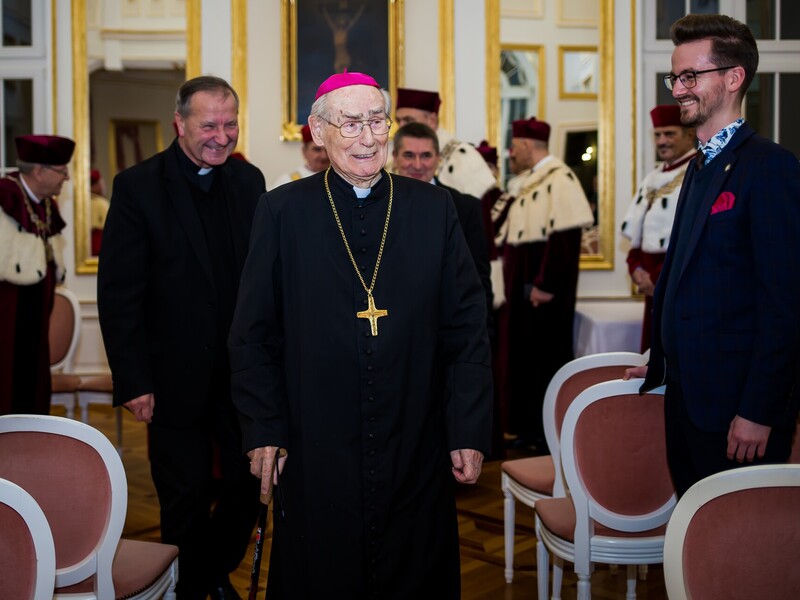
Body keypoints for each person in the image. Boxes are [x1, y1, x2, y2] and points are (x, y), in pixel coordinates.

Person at [229, 71, 492, 599]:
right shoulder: (282, 210)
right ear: (317, 131)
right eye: (350, 124)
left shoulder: (433, 209)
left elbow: (466, 327)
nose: (368, 138)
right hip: (314, 437)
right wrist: (263, 426)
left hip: (414, 435)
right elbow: (254, 332)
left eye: (377, 121)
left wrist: (467, 426)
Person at [97, 75, 266, 600]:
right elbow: (120, 293)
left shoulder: (249, 181)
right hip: (171, 375)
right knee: (184, 495)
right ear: (180, 124)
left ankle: (207, 573)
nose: (222, 135)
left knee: (250, 484)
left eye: (231, 123)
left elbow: (261, 279)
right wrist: (134, 380)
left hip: (239, 375)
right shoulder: (138, 186)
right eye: (209, 124)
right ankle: (194, 590)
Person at [625, 14, 800, 498]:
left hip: (737, 412)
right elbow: (689, 277)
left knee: (737, 540)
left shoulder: (771, 167)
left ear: (733, 77)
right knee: (694, 529)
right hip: (687, 401)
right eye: (675, 77)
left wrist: (760, 410)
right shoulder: (701, 166)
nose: (678, 89)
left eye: (690, 76)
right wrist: (660, 358)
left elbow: (785, 306)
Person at [492, 117, 594, 453]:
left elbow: (564, 239)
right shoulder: (526, 181)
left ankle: (546, 432)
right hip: (522, 284)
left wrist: (545, 285)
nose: (511, 153)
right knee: (523, 358)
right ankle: (528, 428)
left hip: (539, 290)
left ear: (527, 145)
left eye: (514, 147)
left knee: (543, 358)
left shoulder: (560, 179)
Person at [392, 121, 494, 336]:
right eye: (409, 155)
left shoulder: (465, 208)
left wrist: (483, 334)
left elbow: (479, 280)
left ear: (438, 158)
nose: (417, 165)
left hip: (447, 331)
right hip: (391, 330)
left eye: (426, 156)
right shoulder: (375, 206)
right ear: (395, 157)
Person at [0, 134, 74, 416]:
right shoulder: (6, 196)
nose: (67, 178)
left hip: (36, 317)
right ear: (40, 171)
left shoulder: (45, 204)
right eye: (62, 171)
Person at [620, 104, 696, 352]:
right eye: (657, 135)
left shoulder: (699, 172)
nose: (662, 141)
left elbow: (692, 240)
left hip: (679, 282)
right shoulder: (651, 178)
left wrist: (656, 278)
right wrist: (635, 268)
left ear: (689, 135)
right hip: (651, 284)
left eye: (670, 134)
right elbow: (636, 238)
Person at [394, 87, 497, 199]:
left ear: (432, 120)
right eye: (399, 121)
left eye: (408, 120)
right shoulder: (391, 155)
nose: (401, 127)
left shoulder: (462, 157)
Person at [89, 168, 110, 255]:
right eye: (102, 183)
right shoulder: (101, 204)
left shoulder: (83, 204)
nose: (104, 187)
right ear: (94, 186)